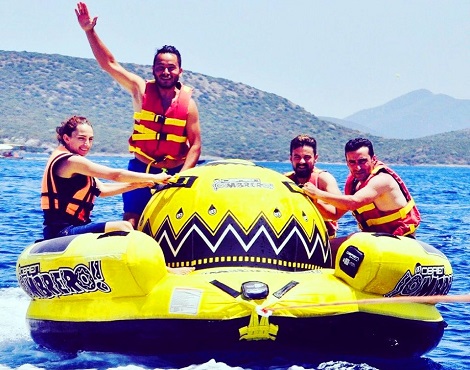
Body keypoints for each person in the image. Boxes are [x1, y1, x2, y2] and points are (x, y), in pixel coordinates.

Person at [75, 2, 202, 228]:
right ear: (153, 69)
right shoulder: (140, 90)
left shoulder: (188, 105)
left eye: (171, 68)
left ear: (180, 71)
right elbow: (109, 64)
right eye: (160, 67)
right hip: (141, 168)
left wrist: (180, 177)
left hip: (175, 170)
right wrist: (89, 31)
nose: (165, 72)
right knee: (132, 221)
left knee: (174, 223)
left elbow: (195, 146)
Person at [41, 116, 172, 240]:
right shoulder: (71, 161)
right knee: (124, 226)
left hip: (73, 228)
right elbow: (116, 175)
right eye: (81, 138)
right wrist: (156, 177)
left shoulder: (73, 161)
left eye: (90, 139)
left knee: (124, 227)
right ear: (66, 138)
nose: (86, 144)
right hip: (61, 232)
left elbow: (102, 190)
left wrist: (137, 184)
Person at [303, 137, 421, 238]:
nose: (358, 168)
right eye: (352, 162)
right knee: (328, 245)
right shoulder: (355, 184)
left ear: (373, 159)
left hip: (401, 240)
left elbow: (354, 203)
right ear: (347, 163)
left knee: (335, 248)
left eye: (362, 161)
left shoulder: (382, 180)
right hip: (377, 240)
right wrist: (313, 201)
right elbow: (334, 215)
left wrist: (317, 193)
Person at [285, 134, 341, 238]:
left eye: (307, 157)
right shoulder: (285, 180)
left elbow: (336, 213)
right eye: (297, 157)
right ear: (291, 158)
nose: (302, 161)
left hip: (322, 242)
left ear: (315, 158)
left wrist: (316, 200)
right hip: (293, 241)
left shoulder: (324, 179)